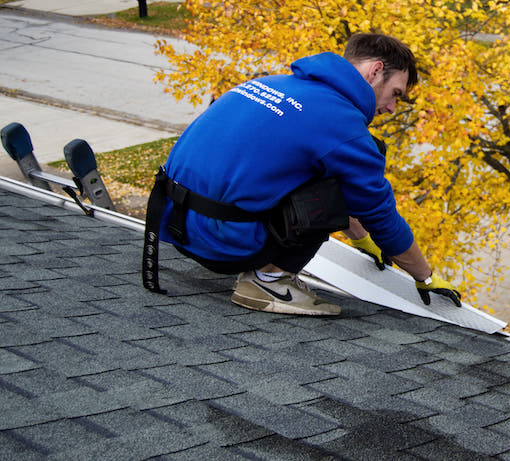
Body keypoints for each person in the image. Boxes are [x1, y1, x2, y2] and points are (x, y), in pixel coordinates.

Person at [141, 33, 460, 315]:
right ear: (375, 71)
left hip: (171, 222)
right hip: (222, 245)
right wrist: (425, 276)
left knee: (327, 167)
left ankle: (265, 269)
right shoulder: (342, 126)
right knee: (350, 171)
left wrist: (363, 242)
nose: (392, 108)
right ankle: (269, 281)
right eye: (396, 93)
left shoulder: (273, 83)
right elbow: (380, 214)